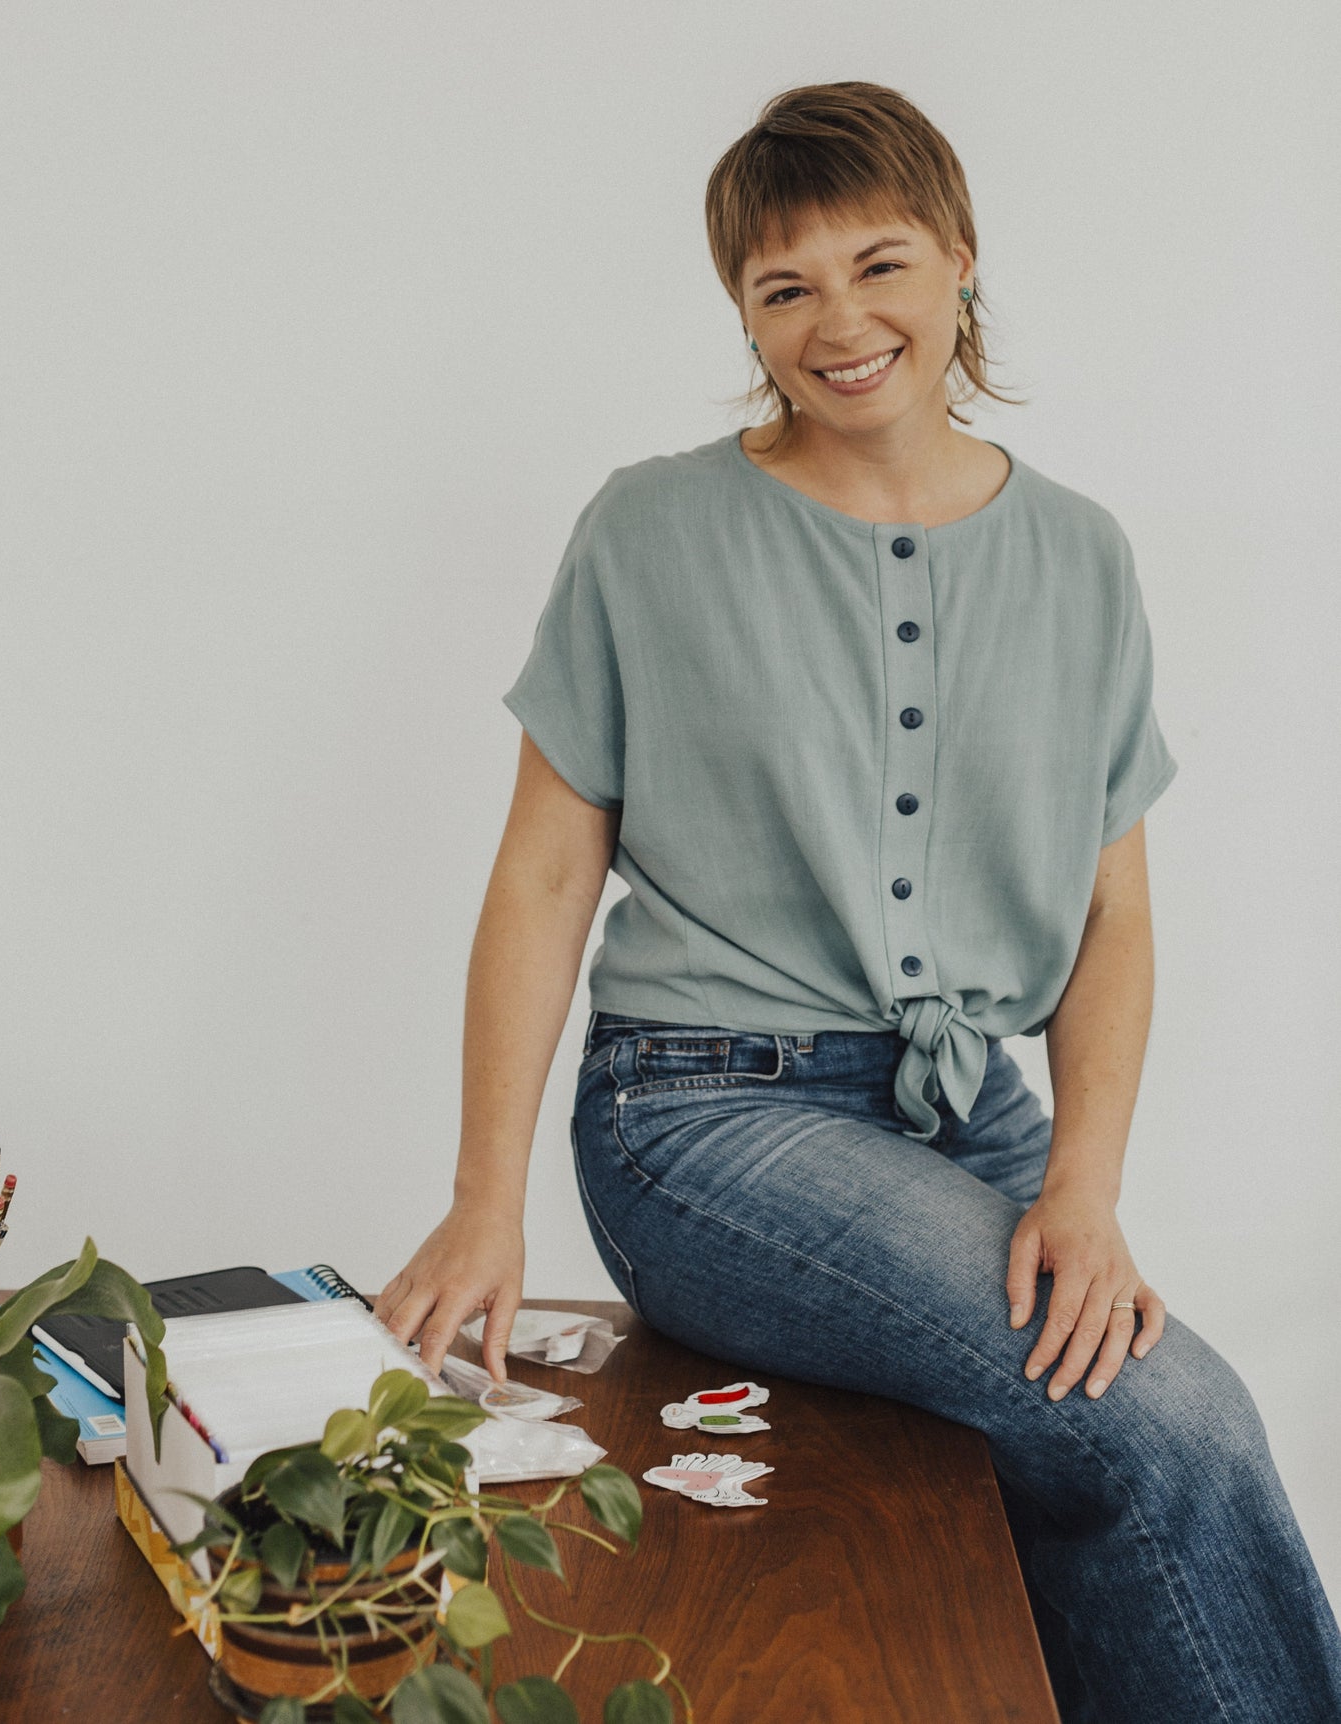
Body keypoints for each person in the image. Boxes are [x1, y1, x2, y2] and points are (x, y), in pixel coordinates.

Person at [373, 81, 1341, 1721]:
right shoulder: (651, 528)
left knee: (1108, 1434)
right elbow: (544, 876)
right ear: (743, 316)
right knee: (1168, 1419)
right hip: (702, 1123)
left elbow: (1119, 922)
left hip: (966, 1109)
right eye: (784, 287)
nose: (842, 322)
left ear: (963, 261)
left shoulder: (1084, 558)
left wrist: (1086, 1184)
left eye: (880, 264)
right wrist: (485, 1196)